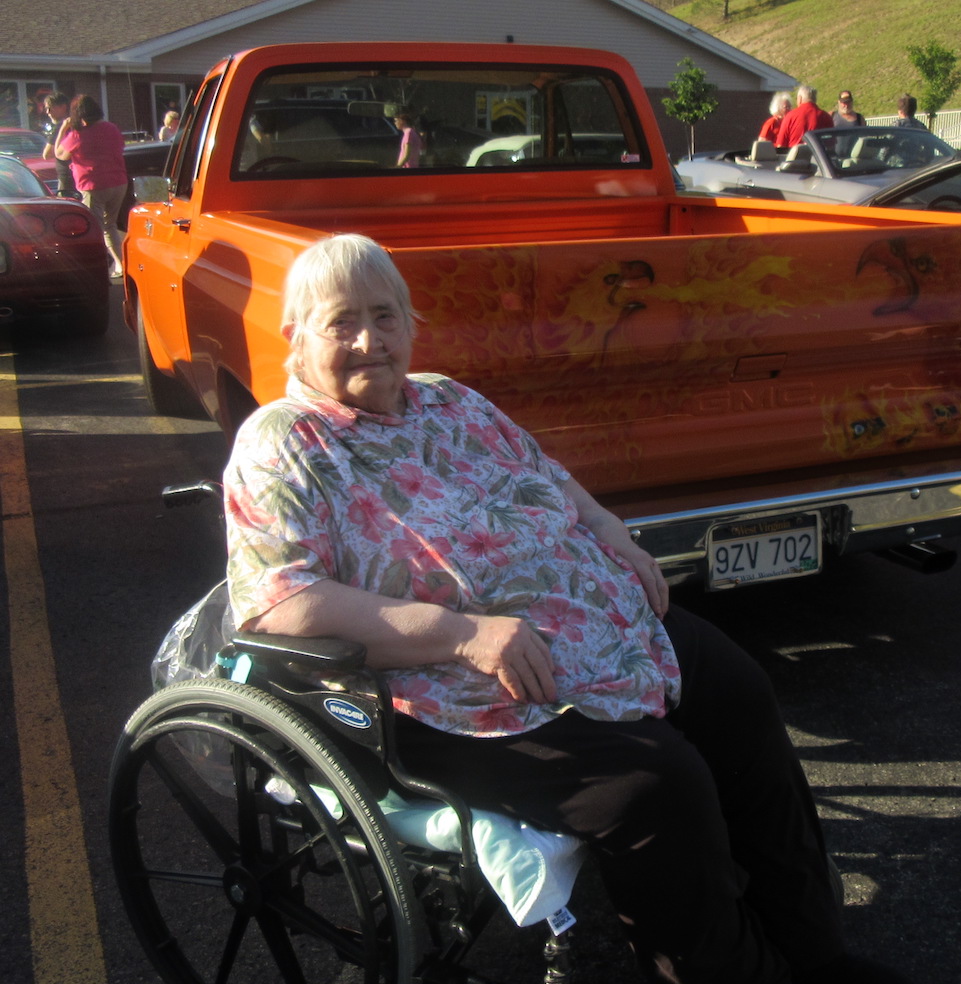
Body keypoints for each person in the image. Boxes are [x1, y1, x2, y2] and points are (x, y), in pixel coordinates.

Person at [223, 234, 911, 984]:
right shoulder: (282, 443)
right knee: (654, 787)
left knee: (742, 694)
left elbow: (547, 477)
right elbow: (281, 605)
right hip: (452, 685)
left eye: (385, 316)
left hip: (594, 622)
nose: (369, 341)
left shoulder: (449, 399)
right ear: (295, 335)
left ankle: (816, 954)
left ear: (410, 323)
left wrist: (613, 534)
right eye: (341, 322)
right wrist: (463, 635)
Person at [54, 94, 128, 277]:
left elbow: (59, 154)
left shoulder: (77, 134)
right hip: (118, 182)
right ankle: (122, 265)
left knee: (93, 229)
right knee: (110, 226)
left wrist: (63, 129)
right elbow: (121, 147)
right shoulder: (111, 128)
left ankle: (97, 267)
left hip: (93, 185)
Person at [41, 92, 78, 199]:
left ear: (63, 107)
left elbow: (47, 154)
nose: (48, 112)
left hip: (67, 178)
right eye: (46, 109)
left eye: (51, 108)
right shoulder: (78, 123)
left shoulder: (61, 126)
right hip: (80, 175)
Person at [776, 85, 834, 149]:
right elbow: (831, 143)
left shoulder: (790, 116)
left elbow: (780, 145)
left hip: (796, 154)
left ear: (800, 98)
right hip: (817, 154)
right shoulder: (825, 117)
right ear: (815, 99)